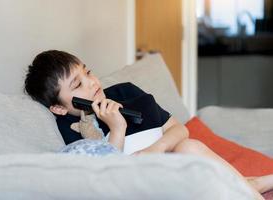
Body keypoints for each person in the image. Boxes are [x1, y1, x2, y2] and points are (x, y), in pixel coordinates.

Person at [24, 50, 273, 198]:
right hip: (150, 186)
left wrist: (159, 148)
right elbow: (106, 178)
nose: (91, 83)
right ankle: (248, 185)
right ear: (58, 107)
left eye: (87, 73)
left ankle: (250, 185)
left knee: (188, 146)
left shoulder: (125, 93)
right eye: (77, 85)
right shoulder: (72, 127)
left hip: (177, 162)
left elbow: (179, 129)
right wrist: (117, 129)